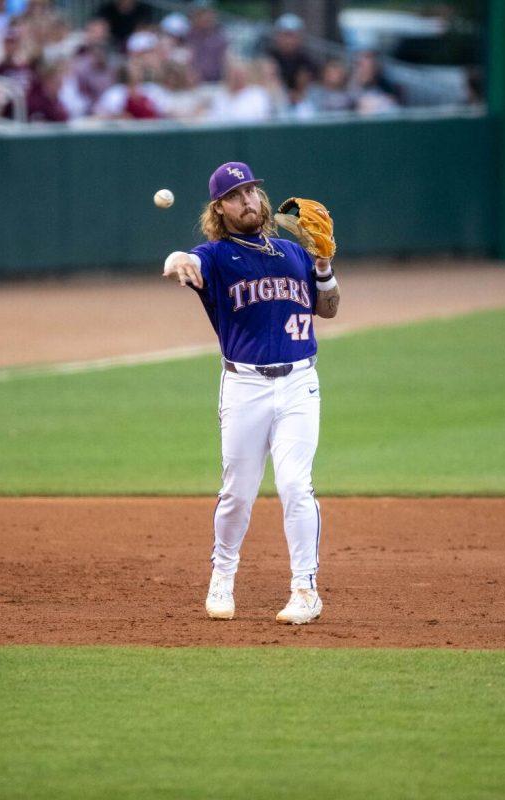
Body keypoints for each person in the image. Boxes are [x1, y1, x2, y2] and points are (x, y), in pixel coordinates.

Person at [161, 162, 341, 626]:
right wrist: (178, 261)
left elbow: (328, 309)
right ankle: (222, 575)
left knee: (296, 487)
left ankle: (305, 589)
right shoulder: (216, 256)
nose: (249, 202)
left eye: (253, 192)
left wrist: (323, 266)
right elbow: (186, 261)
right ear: (219, 208)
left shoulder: (292, 252)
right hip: (243, 387)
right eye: (237, 196)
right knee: (237, 494)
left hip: (301, 382)